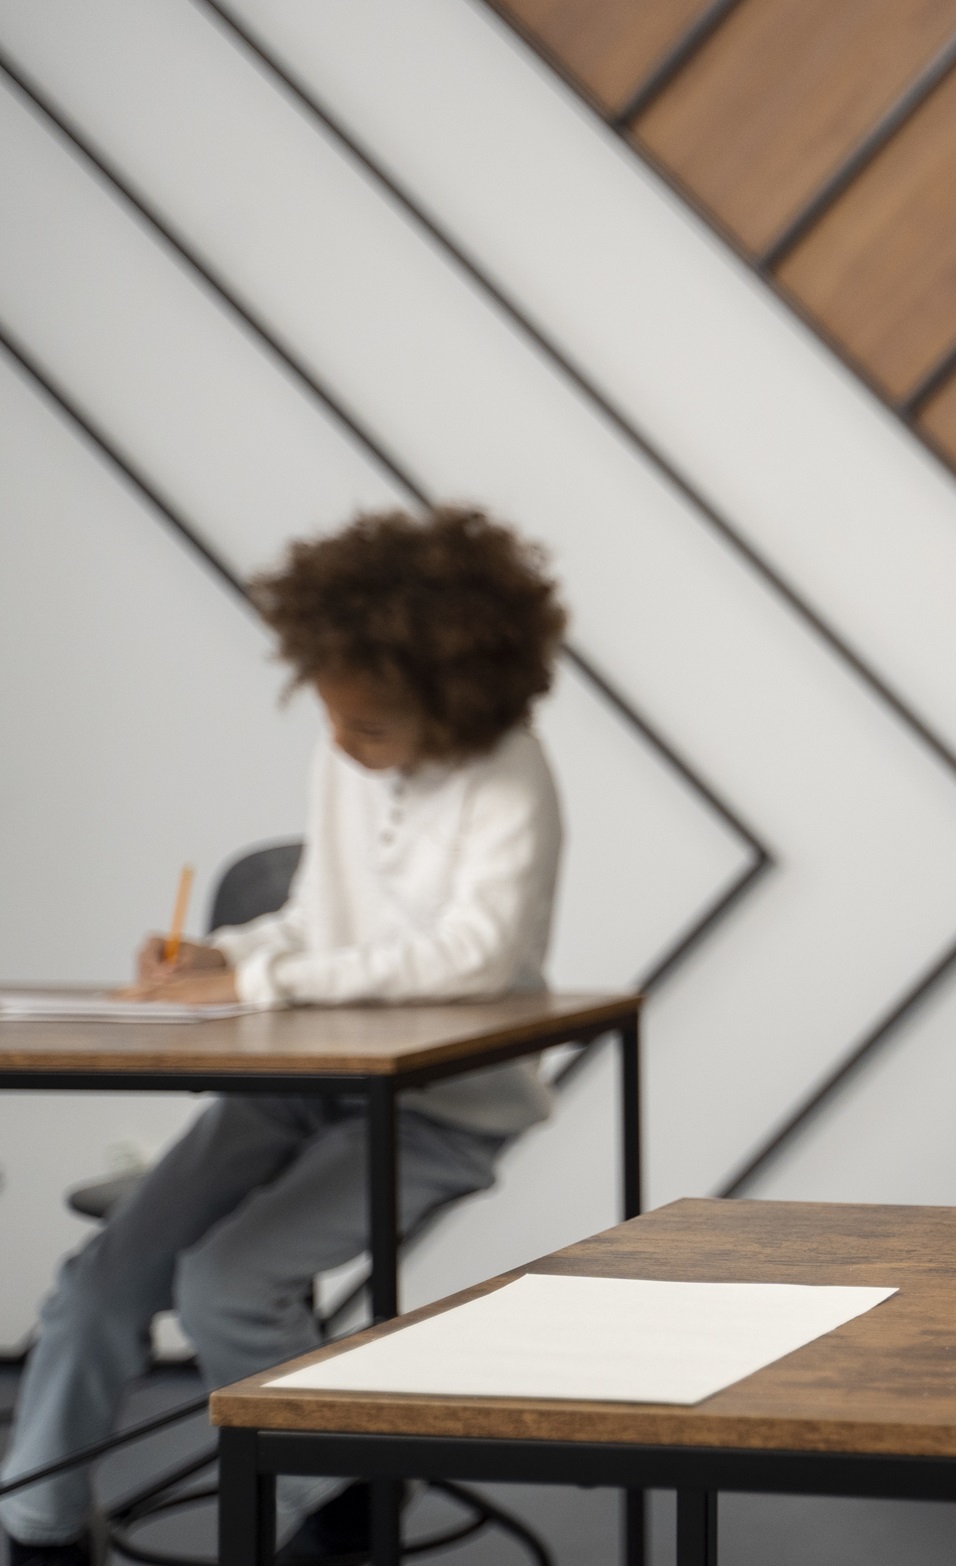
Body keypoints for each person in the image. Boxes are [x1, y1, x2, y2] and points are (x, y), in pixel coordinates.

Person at [2, 507, 568, 1566]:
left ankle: (346, 1498)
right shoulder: (345, 748)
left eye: (372, 729)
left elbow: (474, 958)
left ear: (456, 705)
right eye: (333, 718)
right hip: (302, 1085)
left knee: (228, 1284)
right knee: (101, 1284)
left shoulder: (508, 772)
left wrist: (263, 977)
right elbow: (321, 921)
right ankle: (37, 1530)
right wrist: (224, 955)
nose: (345, 745)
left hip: (438, 1109)